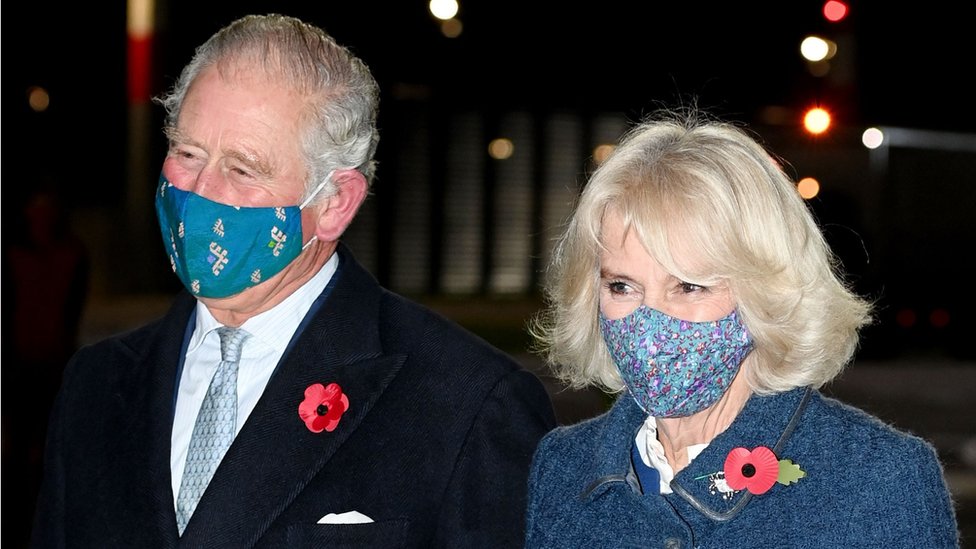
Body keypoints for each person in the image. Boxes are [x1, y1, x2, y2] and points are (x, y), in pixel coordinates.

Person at [30, 14, 556, 548]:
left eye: (242, 169)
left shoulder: (468, 406)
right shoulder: (94, 385)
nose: (200, 190)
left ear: (334, 203)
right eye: (187, 153)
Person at [523, 111, 960, 547]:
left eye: (689, 286)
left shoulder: (880, 481)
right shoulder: (562, 467)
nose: (649, 329)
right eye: (621, 286)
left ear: (768, 295)